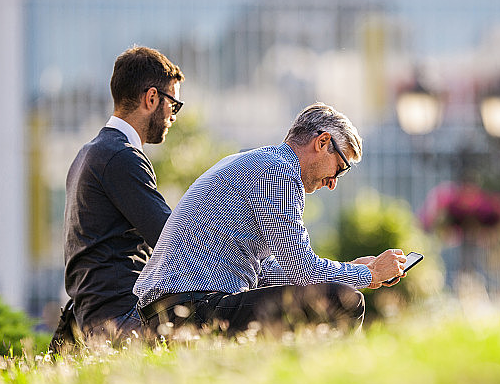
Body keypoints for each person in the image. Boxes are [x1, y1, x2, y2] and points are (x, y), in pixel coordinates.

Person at [133, 103, 406, 338]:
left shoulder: (259, 163)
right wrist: (368, 275)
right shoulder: (278, 172)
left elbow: (267, 271)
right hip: (194, 309)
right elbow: (303, 273)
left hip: (169, 310)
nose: (333, 182)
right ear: (322, 142)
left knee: (331, 293)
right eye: (340, 166)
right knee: (344, 301)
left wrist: (348, 270)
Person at [59, 45, 185, 344]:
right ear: (152, 98)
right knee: (225, 325)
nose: (173, 116)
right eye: (174, 105)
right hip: (122, 316)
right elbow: (173, 240)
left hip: (97, 315)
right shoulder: (120, 156)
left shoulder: (90, 153)